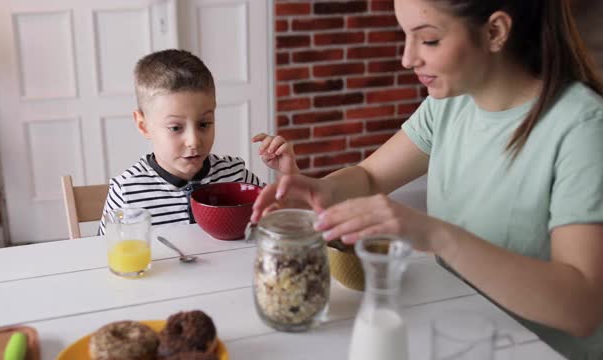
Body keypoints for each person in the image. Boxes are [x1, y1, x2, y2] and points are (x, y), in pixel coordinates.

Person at [251, 0, 603, 358]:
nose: (407, 58)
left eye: (429, 40)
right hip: (461, 330)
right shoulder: (452, 103)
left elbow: (582, 309)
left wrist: (435, 234)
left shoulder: (582, 128)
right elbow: (371, 176)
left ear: (495, 32)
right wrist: (321, 189)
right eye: (405, 36)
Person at [98, 49, 298, 234]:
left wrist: (289, 174)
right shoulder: (127, 193)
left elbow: (288, 226)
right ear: (143, 125)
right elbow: (105, 258)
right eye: (175, 128)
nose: (193, 141)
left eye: (204, 124)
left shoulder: (236, 177)